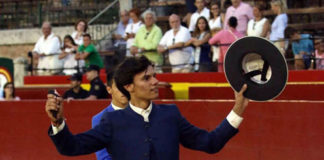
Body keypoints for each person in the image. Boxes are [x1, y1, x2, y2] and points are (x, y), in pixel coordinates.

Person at [46, 56, 249, 159]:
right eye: (147, 78)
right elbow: (71, 147)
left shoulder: (170, 115)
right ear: (129, 87)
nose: (155, 82)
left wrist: (237, 110)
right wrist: (57, 122)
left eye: (154, 76)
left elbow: (210, 143)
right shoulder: (111, 121)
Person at [91, 70, 128, 160]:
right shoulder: (99, 119)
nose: (123, 91)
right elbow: (103, 157)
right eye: (118, 87)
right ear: (109, 89)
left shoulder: (143, 112)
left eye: (126, 86)